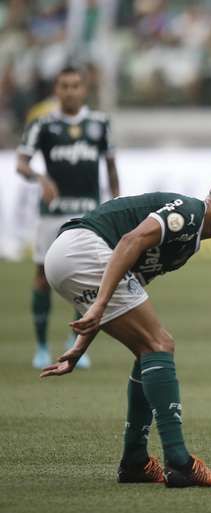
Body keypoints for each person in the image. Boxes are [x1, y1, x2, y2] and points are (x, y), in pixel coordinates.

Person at [40, 174, 211, 488]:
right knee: (160, 345)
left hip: (68, 256)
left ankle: (135, 461)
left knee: (148, 350)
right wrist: (101, 303)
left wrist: (79, 347)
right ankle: (180, 462)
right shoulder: (187, 214)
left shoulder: (186, 245)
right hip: (83, 248)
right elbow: (130, 241)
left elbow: (123, 284)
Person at [16, 65, 121, 370]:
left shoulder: (100, 124)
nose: (70, 91)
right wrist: (40, 178)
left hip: (88, 214)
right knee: (41, 277)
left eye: (76, 85)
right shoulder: (42, 125)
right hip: (53, 214)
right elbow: (21, 163)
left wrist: (116, 201)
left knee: (85, 278)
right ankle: (40, 346)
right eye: (64, 86)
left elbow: (112, 167)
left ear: (84, 89)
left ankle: (76, 346)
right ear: (56, 90)